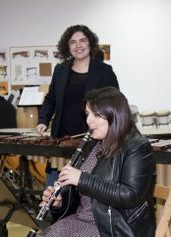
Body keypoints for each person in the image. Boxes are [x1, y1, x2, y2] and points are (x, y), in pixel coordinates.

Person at [38, 87, 156, 237]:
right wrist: (60, 202)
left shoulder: (137, 147)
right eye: (88, 114)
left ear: (116, 115)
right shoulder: (94, 144)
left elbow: (129, 195)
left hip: (113, 228)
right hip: (82, 219)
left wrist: (81, 178)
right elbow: (83, 197)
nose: (89, 120)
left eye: (97, 115)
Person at [36, 25, 119, 186]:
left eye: (83, 40)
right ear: (67, 47)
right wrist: (43, 120)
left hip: (93, 141)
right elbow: (51, 98)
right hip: (62, 139)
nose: (78, 45)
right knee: (54, 193)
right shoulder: (60, 70)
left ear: (90, 43)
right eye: (72, 42)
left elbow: (115, 103)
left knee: (84, 192)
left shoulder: (105, 71)